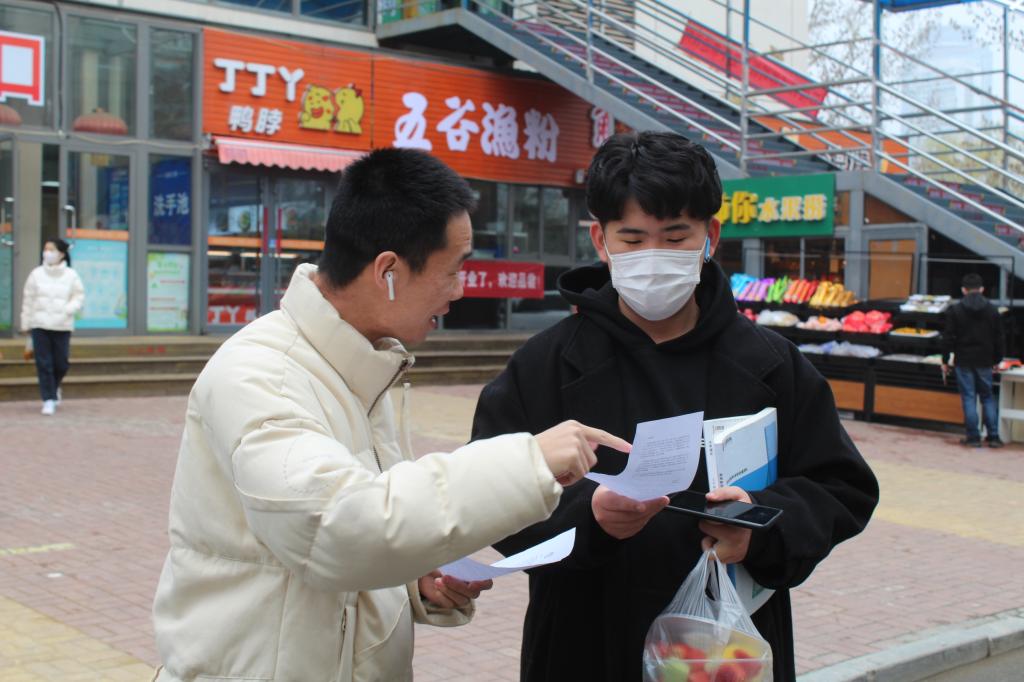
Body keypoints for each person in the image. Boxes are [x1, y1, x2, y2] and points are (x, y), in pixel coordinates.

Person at [151, 148, 629, 682]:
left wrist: (409, 580)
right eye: (453, 269)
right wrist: (527, 463)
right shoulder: (261, 376)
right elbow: (335, 529)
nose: (459, 290)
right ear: (389, 271)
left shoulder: (362, 364)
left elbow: (351, 532)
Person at [472, 131, 879, 682]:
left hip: (727, 648)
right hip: (583, 642)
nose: (653, 257)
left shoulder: (769, 362)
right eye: (633, 238)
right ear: (600, 239)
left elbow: (842, 487)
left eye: (675, 236)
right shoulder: (545, 364)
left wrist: (760, 524)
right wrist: (588, 519)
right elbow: (488, 491)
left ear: (711, 235)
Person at [20, 238, 85, 416]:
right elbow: (28, 300)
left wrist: (68, 309)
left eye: (51, 250)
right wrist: (26, 323)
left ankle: (54, 387)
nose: (47, 253)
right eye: (45, 249)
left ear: (61, 254)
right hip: (39, 324)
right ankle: (48, 399)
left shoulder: (71, 275)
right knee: (44, 364)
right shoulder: (36, 274)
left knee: (61, 363)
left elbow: (78, 296)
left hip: (62, 325)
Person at [942, 272, 1005, 448]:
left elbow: (948, 337)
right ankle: (993, 436)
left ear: (963, 290)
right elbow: (999, 337)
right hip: (985, 360)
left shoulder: (956, 310)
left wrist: (945, 359)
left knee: (969, 397)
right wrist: (997, 359)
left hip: (963, 359)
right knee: (987, 397)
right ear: (982, 289)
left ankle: (973, 437)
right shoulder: (992, 310)